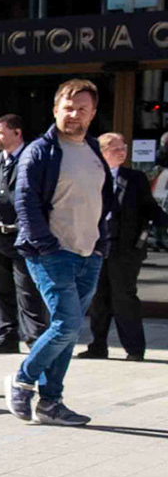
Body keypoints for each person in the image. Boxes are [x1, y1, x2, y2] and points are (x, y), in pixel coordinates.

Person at [6, 79, 118, 427]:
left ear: (92, 113)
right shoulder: (40, 151)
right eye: (68, 108)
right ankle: (22, 379)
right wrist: (46, 245)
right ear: (56, 110)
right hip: (52, 253)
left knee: (67, 331)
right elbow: (25, 201)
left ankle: (51, 402)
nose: (74, 114)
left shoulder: (94, 151)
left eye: (82, 109)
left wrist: (100, 245)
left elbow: (104, 200)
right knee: (67, 325)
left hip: (89, 254)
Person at [83, 131, 166, 360]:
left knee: (124, 298)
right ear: (103, 152)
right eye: (117, 149)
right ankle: (98, 346)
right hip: (96, 247)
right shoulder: (90, 176)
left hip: (125, 249)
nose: (122, 153)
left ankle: (134, 349)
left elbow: (149, 208)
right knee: (98, 298)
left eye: (125, 148)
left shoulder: (134, 178)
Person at [0, 115, 47, 354]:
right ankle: (7, 337)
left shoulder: (33, 160)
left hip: (23, 238)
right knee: (1, 289)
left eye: (0, 133)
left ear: (17, 133)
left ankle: (35, 339)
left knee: (27, 289)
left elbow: (43, 198)